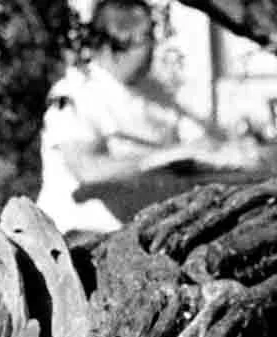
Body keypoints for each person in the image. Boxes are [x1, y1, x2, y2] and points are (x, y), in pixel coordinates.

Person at [39, 3, 257, 235]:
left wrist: (232, 150)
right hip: (77, 236)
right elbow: (87, 170)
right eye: (145, 39)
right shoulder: (73, 94)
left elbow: (200, 146)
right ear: (119, 40)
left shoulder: (155, 93)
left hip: (144, 233)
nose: (154, 49)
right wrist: (168, 156)